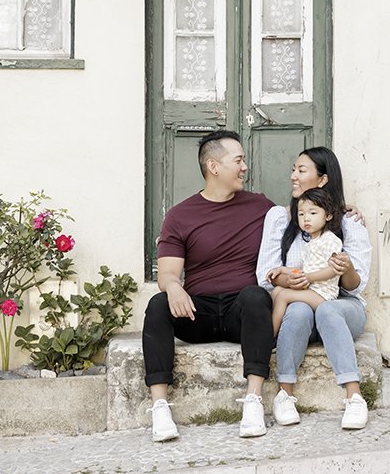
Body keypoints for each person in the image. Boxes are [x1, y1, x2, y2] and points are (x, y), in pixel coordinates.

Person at [143, 130, 275, 443]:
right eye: (238, 160)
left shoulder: (261, 207)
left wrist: (347, 214)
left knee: (257, 296)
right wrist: (174, 287)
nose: (245, 167)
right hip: (196, 313)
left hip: (238, 313)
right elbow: (168, 274)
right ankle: (160, 407)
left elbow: (307, 218)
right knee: (158, 304)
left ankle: (253, 401)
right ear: (214, 167)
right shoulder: (180, 216)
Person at [256, 146, 371, 431]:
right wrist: (288, 280)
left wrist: (346, 269)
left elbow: (356, 287)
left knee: (329, 310)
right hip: (305, 303)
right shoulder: (280, 218)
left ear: (323, 180)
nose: (293, 176)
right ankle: (285, 395)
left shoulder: (349, 222)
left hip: (342, 306)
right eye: (293, 170)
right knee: (295, 310)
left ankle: (354, 397)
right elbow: (264, 276)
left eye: (301, 170)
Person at [269, 186, 343, 334]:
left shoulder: (330, 240)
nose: (306, 218)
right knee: (277, 291)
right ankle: (276, 329)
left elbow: (333, 270)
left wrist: (309, 277)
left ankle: (269, 338)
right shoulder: (312, 242)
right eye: (301, 214)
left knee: (284, 295)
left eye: (313, 213)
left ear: (328, 215)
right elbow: (305, 269)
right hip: (312, 289)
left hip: (323, 294)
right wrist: (282, 270)